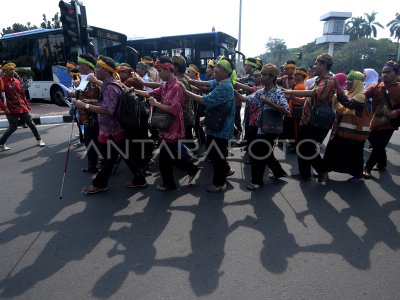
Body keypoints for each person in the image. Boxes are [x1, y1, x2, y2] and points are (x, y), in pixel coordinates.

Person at [75, 55, 147, 194]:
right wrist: (92, 100)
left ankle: (99, 184)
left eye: (98, 68)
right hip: (116, 129)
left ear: (106, 71)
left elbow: (108, 110)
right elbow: (108, 102)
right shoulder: (111, 84)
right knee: (125, 156)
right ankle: (140, 180)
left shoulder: (110, 88)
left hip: (111, 130)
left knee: (109, 159)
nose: (95, 70)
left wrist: (86, 105)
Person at [134, 55, 200, 191]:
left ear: (168, 69)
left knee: (165, 158)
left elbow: (174, 110)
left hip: (173, 127)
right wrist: (133, 91)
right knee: (173, 155)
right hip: (165, 126)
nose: (158, 74)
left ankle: (169, 184)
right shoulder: (165, 86)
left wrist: (156, 103)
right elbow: (150, 93)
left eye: (160, 71)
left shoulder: (177, 87)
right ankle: (191, 169)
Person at [182, 57, 236, 192]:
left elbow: (205, 100)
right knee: (214, 153)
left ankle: (219, 184)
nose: (214, 70)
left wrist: (186, 91)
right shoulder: (220, 82)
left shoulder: (225, 86)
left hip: (221, 128)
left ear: (226, 72)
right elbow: (207, 84)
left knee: (217, 156)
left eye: (218, 68)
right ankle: (227, 170)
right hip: (215, 125)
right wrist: (188, 81)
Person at [283, 53, 339, 183]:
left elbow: (316, 95)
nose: (314, 67)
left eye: (316, 64)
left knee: (307, 147)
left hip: (318, 121)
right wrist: (292, 96)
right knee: (301, 146)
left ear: (324, 65)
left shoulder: (329, 81)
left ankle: (322, 170)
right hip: (308, 119)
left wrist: (291, 92)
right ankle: (305, 173)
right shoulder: (316, 80)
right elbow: (307, 100)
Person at [235, 64, 290, 190]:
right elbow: (246, 100)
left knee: (258, 153)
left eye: (264, 75)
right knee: (265, 153)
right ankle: (279, 172)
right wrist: (232, 90)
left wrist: (270, 103)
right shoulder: (261, 92)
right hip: (261, 127)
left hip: (271, 129)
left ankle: (257, 181)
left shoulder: (277, 92)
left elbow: (286, 110)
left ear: (272, 78)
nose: (261, 77)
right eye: (261, 74)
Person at [324, 70, 371, 183]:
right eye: (347, 79)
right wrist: (335, 97)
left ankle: (358, 175)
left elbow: (349, 104)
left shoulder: (361, 96)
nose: (347, 82)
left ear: (357, 83)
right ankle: (324, 170)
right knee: (331, 149)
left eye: (351, 80)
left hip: (354, 131)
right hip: (340, 128)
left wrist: (338, 91)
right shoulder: (345, 93)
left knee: (355, 154)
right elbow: (340, 109)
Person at [362, 61, 400, 178]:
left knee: (379, 145)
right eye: (383, 72)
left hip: (390, 122)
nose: (385, 74)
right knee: (375, 142)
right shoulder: (376, 87)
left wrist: (397, 111)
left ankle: (367, 168)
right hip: (375, 121)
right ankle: (382, 164)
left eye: (388, 72)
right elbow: (364, 95)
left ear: (396, 74)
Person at [0, 62, 45, 151]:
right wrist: (5, 108)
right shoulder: (1, 81)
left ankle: (39, 139)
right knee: (13, 127)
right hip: (10, 109)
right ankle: (1, 144)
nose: (13, 71)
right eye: (10, 69)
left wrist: (27, 105)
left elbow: (22, 94)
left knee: (30, 123)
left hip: (22, 106)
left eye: (13, 69)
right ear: (5, 70)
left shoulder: (16, 81)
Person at [68, 54, 101, 173]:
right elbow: (81, 95)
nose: (78, 66)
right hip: (84, 117)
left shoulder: (95, 79)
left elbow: (104, 101)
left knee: (97, 142)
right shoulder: (82, 79)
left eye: (80, 64)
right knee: (89, 142)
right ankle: (93, 165)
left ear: (87, 65)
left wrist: (86, 103)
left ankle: (104, 165)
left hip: (95, 117)